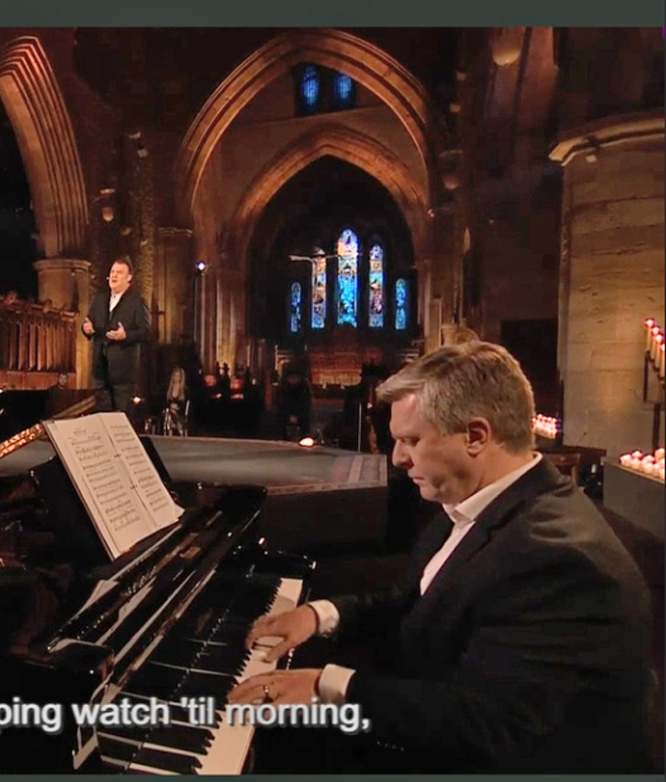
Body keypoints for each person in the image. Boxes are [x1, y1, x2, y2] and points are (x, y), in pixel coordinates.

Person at [229, 341, 653, 772]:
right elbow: (421, 606)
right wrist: (319, 616)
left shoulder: (556, 558)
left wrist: (327, 685)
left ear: (475, 436)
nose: (396, 457)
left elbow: (483, 724)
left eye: (410, 440)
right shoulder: (480, 506)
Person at [81, 257, 150, 417]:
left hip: (123, 373)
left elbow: (145, 332)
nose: (114, 275)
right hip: (100, 371)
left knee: (121, 420)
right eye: (112, 272)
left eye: (119, 273)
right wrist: (86, 329)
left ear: (129, 278)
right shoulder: (99, 299)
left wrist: (126, 335)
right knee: (103, 419)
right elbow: (87, 323)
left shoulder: (136, 302)